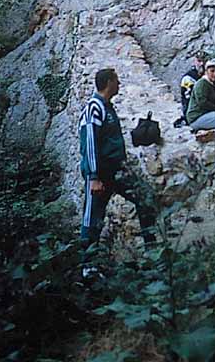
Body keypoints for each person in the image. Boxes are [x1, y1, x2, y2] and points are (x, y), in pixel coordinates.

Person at [79, 68, 157, 275]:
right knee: (92, 217)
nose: (120, 84)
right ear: (108, 82)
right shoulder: (94, 108)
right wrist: (93, 176)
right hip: (100, 175)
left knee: (144, 197)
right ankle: (88, 268)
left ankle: (154, 251)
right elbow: (90, 143)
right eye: (117, 80)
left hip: (117, 172)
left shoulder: (107, 107)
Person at [187, 59, 215, 130]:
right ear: (206, 72)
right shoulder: (201, 84)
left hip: (209, 114)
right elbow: (203, 103)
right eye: (212, 71)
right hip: (197, 116)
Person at [174, 53, 205, 127]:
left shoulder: (207, 76)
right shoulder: (188, 78)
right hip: (194, 113)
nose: (202, 64)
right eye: (199, 61)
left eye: (204, 61)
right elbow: (191, 100)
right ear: (195, 62)